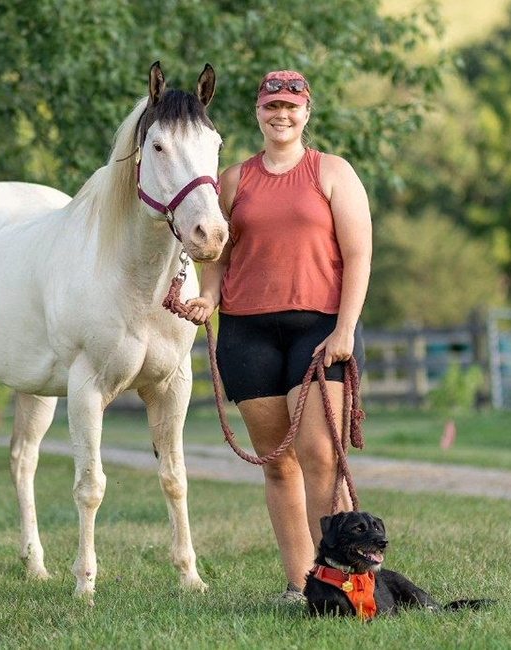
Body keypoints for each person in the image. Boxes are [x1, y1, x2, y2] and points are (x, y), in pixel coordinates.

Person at [182, 69, 372, 604]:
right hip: (247, 330)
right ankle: (300, 585)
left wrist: (345, 329)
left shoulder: (332, 173)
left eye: (291, 106)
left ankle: (344, 581)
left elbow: (358, 256)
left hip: (319, 330)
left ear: (306, 112)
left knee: (319, 456)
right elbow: (219, 251)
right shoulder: (234, 180)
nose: (281, 115)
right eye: (271, 107)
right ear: (258, 113)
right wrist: (208, 298)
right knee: (276, 461)